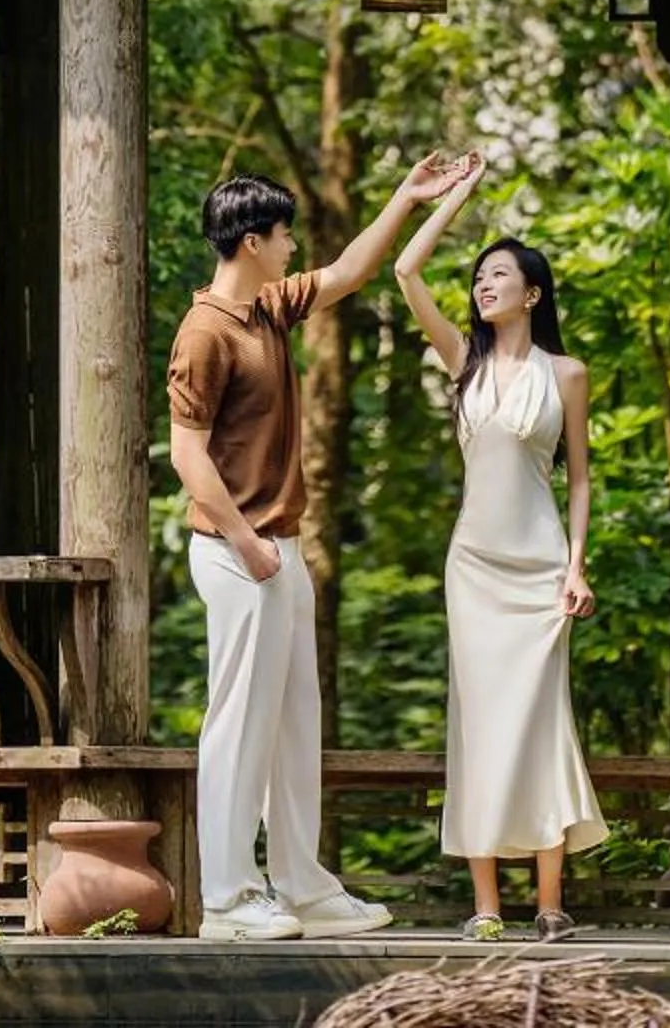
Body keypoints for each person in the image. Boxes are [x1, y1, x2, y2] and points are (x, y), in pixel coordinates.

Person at [167, 151, 473, 943]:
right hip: (239, 552)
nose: (294, 246)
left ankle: (302, 886)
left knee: (294, 725)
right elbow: (187, 454)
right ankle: (227, 899)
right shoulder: (205, 332)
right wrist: (246, 543)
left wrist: (408, 196)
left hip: (279, 548)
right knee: (239, 725)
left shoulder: (268, 308)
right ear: (251, 240)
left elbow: (349, 272)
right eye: (284, 234)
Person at [395, 158, 607, 941]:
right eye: (479, 277)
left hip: (542, 572)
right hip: (475, 571)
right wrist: (457, 197)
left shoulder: (568, 374)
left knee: (542, 724)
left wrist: (576, 567)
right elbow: (406, 270)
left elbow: (579, 479)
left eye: (500, 275)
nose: (485, 285)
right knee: (479, 725)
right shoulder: (463, 361)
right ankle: (486, 906)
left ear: (534, 294)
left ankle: (550, 904)